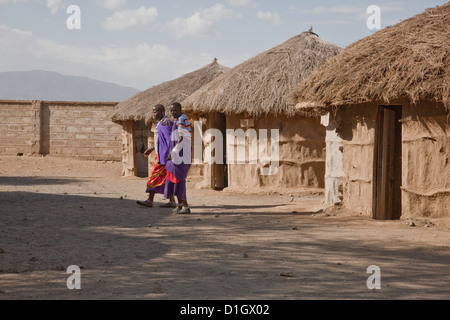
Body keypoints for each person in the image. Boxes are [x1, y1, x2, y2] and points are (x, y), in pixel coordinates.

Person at [136, 104, 176, 208]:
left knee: (154, 176)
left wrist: (169, 155)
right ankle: (172, 201)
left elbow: (169, 141)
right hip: (161, 155)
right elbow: (161, 140)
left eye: (155, 112)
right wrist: (152, 148)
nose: (153, 114)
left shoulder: (166, 123)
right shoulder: (160, 123)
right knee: (167, 178)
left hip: (164, 157)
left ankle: (150, 200)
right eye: (153, 112)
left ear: (162, 112)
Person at [164, 102, 192, 214]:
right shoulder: (177, 119)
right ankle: (179, 205)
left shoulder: (181, 120)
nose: (172, 112)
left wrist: (174, 152)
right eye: (171, 110)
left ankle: (186, 206)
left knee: (179, 179)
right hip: (177, 154)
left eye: (175, 110)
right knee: (172, 177)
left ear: (180, 109)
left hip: (181, 154)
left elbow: (181, 138)